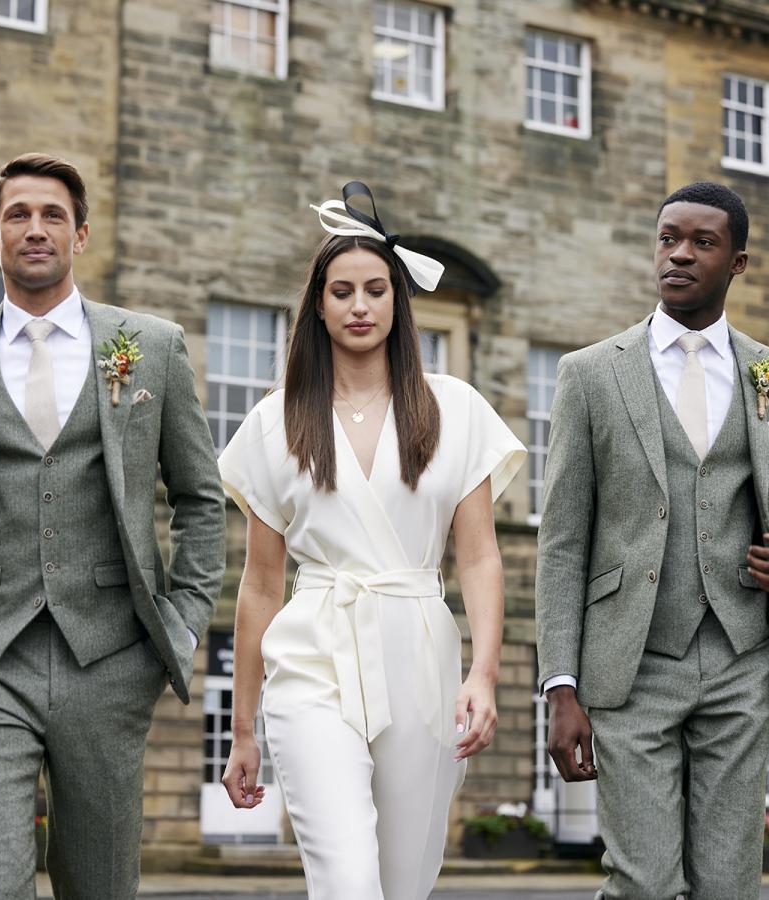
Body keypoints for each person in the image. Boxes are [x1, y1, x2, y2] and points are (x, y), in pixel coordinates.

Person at [0, 153, 225, 899]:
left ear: (81, 234)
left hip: (110, 656)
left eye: (54, 215)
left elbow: (203, 498)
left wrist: (180, 625)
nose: (35, 229)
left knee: (100, 883)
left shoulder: (151, 346)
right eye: (17, 214)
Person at [218, 182, 526, 899]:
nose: (360, 305)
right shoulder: (275, 423)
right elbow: (261, 584)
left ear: (398, 301)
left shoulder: (455, 408)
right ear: (318, 306)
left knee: (402, 882)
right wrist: (242, 728)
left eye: (376, 289)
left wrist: (483, 673)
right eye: (342, 291)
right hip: (313, 654)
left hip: (420, 650)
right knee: (349, 880)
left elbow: (479, 557)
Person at [536, 182, 769, 899]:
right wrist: (560, 684)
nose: (679, 254)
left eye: (702, 242)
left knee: (728, 883)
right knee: (643, 882)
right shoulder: (589, 374)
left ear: (738, 262)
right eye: (668, 238)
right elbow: (562, 540)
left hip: (740, 656)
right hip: (630, 664)